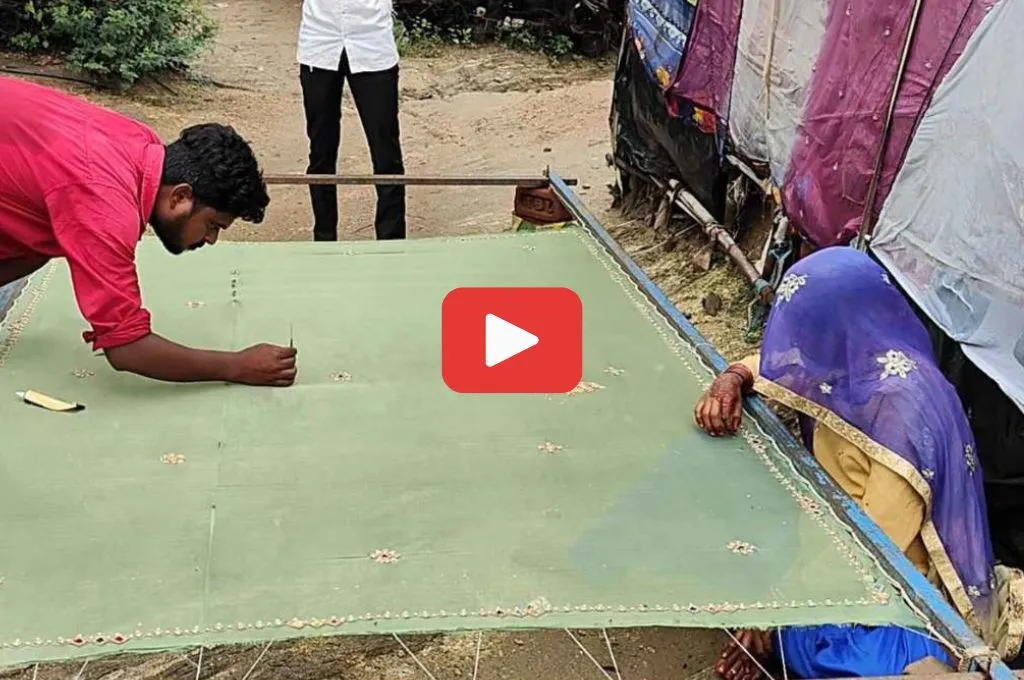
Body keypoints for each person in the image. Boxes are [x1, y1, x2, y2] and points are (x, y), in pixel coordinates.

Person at [693, 247, 1024, 678]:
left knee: (832, 655)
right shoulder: (862, 364)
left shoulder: (903, 420)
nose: (801, 345)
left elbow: (871, 555)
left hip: (907, 596)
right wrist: (734, 376)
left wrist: (770, 622)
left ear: (840, 329)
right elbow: (780, 362)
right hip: (842, 548)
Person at [0, 76, 298, 387]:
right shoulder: (106, 205)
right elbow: (126, 348)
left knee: (43, 240)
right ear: (180, 196)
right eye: (212, 225)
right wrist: (236, 366)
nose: (211, 240)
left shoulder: (142, 143)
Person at [296, 0, 406, 241]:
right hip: (319, 40)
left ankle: (392, 241)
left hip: (372, 41)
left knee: (386, 153)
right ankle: (324, 239)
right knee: (320, 152)